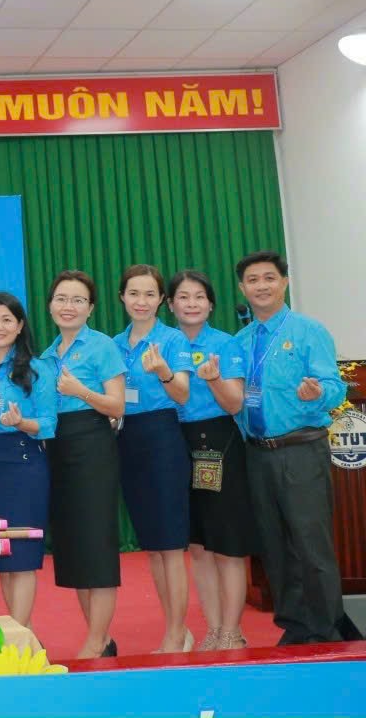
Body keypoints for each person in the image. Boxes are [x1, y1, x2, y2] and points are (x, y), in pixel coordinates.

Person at [233, 251, 351, 644]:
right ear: (242, 288)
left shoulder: (307, 331)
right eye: (253, 280)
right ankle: (296, 626)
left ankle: (327, 629)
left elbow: (334, 386)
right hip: (256, 452)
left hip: (300, 449)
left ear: (284, 282)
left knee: (310, 543)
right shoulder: (241, 341)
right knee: (274, 544)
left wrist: (318, 393)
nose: (261, 286)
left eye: (269, 277)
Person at [167, 269, 256, 651]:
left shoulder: (225, 344)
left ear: (210, 304)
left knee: (227, 544)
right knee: (198, 547)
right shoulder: (164, 344)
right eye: (183, 297)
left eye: (199, 297)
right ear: (170, 305)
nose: (191, 304)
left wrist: (214, 379)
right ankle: (215, 628)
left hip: (219, 443)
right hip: (176, 444)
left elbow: (235, 403)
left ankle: (233, 630)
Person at [40, 270, 127, 659]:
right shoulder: (46, 355)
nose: (68, 306)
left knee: (97, 543)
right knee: (75, 546)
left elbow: (117, 406)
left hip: (92, 445)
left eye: (77, 300)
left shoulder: (102, 346)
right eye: (61, 299)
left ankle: (96, 639)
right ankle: (101, 639)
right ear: (50, 306)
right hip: (58, 449)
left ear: (90, 308)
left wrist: (81, 391)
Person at [113, 265, 195, 653]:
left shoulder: (172, 339)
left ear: (162, 299)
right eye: (134, 293)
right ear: (122, 298)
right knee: (154, 547)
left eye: (149, 294)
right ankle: (175, 627)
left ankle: (177, 633)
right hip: (127, 439)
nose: (141, 301)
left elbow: (182, 394)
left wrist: (163, 371)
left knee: (171, 544)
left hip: (162, 437)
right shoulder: (114, 344)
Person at [0, 291, 57, 630]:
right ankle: (22, 632)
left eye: (7, 320)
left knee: (22, 556)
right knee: (3, 558)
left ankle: (18, 636)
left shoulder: (36, 369)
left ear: (20, 326)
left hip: (23, 462)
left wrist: (21, 422)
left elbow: (48, 424)